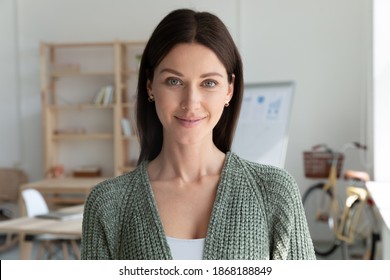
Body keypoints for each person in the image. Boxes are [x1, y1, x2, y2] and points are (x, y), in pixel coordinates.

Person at [81, 8, 315, 260]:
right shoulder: (107, 204)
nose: (190, 103)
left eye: (209, 83)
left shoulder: (275, 193)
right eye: (174, 81)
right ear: (150, 86)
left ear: (229, 90)